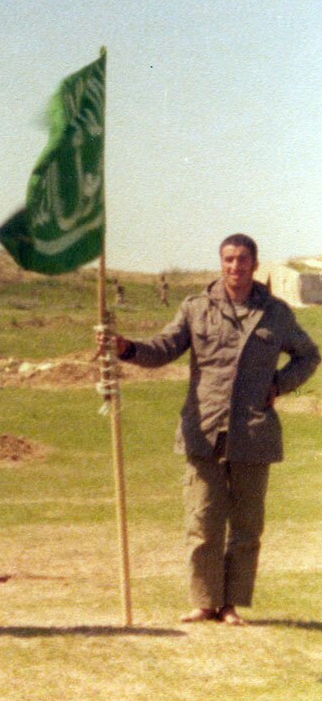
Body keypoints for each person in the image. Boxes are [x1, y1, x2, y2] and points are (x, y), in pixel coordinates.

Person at [104, 234, 318, 626]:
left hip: (253, 432)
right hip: (203, 430)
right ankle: (204, 602)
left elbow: (308, 355)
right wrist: (127, 349)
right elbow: (163, 348)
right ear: (221, 263)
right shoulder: (196, 307)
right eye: (228, 259)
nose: (235, 266)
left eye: (242, 259)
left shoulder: (276, 313)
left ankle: (231, 604)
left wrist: (279, 385)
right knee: (202, 522)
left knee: (246, 526)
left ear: (255, 265)